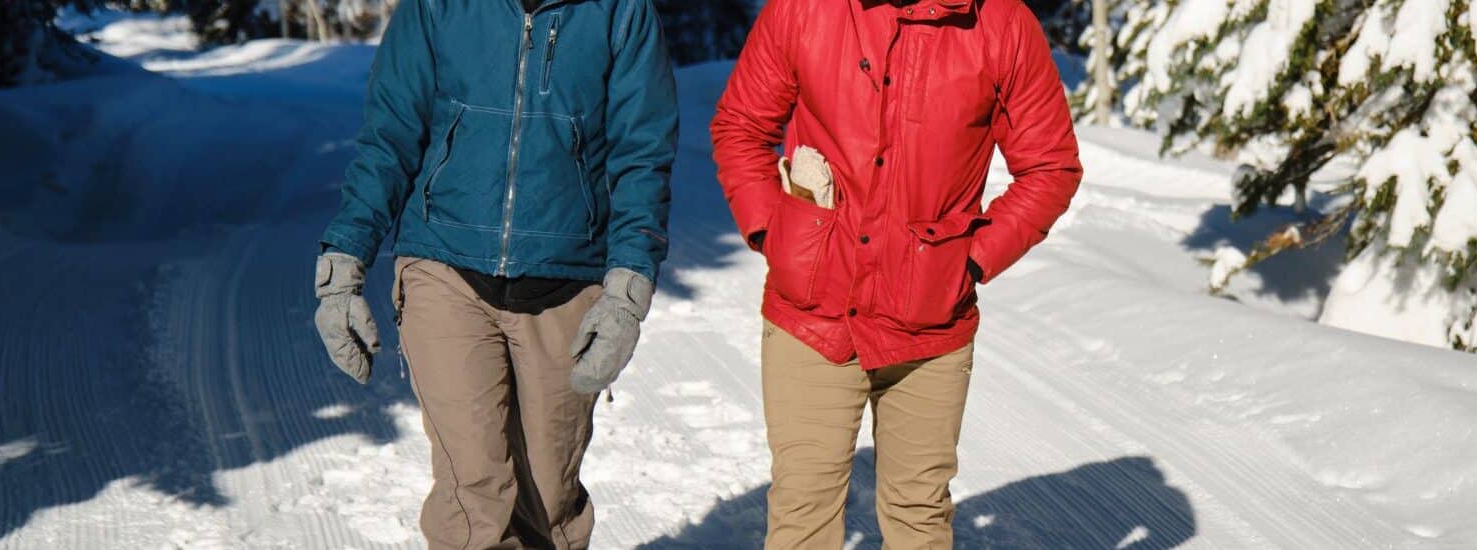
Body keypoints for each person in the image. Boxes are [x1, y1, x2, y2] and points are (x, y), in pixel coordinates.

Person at [710, 0, 1082, 546]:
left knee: (919, 517)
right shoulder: (802, 9)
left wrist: (969, 262)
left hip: (931, 325)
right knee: (803, 515)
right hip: (812, 315)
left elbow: (1051, 166)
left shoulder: (1001, 21)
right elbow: (741, 127)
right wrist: (777, 234)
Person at [310, 0, 677, 547]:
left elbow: (641, 154)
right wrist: (344, 262)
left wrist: (626, 293)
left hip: (568, 276)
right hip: (444, 265)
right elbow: (389, 136)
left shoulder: (620, 11)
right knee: (473, 491)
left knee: (548, 498)